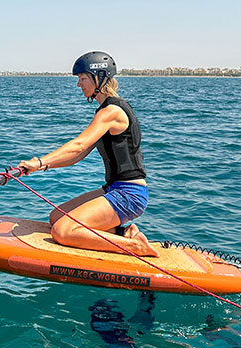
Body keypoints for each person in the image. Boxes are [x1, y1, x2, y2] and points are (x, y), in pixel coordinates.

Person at [17, 51, 158, 256]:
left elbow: (79, 145)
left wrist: (39, 162)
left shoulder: (112, 111)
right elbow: (78, 155)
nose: (79, 85)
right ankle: (123, 232)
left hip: (129, 194)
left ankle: (135, 247)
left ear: (98, 78)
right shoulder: (105, 110)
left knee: (62, 231)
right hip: (114, 189)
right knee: (57, 217)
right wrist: (43, 167)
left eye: (82, 79)